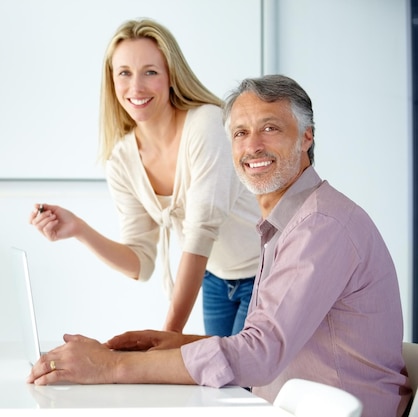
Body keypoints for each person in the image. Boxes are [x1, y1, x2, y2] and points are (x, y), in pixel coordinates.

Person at [27, 74, 413, 417]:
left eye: (271, 129)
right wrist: (176, 345)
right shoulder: (289, 222)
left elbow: (260, 354)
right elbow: (282, 341)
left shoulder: (319, 227)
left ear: (307, 136)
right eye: (240, 133)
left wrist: (109, 367)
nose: (253, 146)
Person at [29, 18, 260, 336]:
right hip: (214, 276)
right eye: (124, 73)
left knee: (240, 379)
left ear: (170, 76)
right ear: (111, 81)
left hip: (265, 271)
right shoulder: (122, 159)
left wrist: (166, 337)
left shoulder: (207, 124)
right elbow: (141, 263)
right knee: (224, 383)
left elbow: (200, 233)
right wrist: (79, 230)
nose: (135, 87)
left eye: (150, 72)